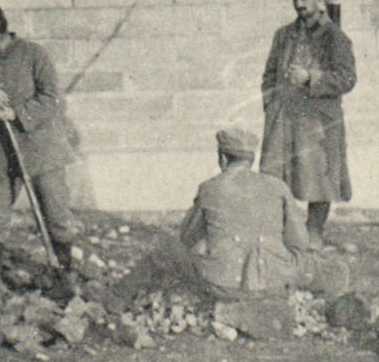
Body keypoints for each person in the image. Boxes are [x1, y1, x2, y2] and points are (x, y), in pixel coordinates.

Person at [102, 128, 347, 312]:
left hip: (221, 287)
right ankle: (334, 288)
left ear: (222, 159)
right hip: (274, 283)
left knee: (165, 251)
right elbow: (299, 242)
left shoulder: (210, 188)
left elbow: (186, 238)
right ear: (251, 160)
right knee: (315, 264)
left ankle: (115, 299)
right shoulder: (277, 187)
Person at [0, 2, 78, 304]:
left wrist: (18, 114)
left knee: (56, 216)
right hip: (1, 154)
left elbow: (51, 97)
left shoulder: (33, 54)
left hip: (42, 151)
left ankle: (63, 278)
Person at [260, 0, 356, 248]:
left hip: (317, 122)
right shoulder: (283, 35)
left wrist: (310, 78)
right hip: (283, 118)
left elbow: (347, 78)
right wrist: (271, 105)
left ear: (318, 0)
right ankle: (282, 232)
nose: (300, 4)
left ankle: (314, 231)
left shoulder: (334, 37)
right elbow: (268, 75)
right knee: (275, 176)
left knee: (318, 177)